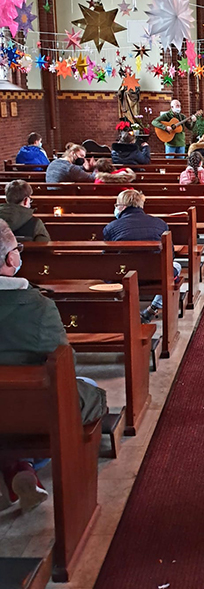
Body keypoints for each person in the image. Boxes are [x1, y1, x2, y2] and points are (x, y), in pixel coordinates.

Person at [0, 219, 106, 511]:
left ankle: (16, 466)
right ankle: (24, 462)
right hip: (30, 409)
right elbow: (64, 364)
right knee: (86, 392)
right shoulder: (38, 306)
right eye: (17, 249)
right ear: (11, 259)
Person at [102, 190, 181, 323]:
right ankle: (153, 308)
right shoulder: (160, 223)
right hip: (155, 274)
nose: (115, 208)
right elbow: (170, 255)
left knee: (109, 271)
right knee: (175, 266)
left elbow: (107, 258)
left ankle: (124, 310)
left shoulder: (111, 227)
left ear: (123, 206)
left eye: (116, 205)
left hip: (124, 275)